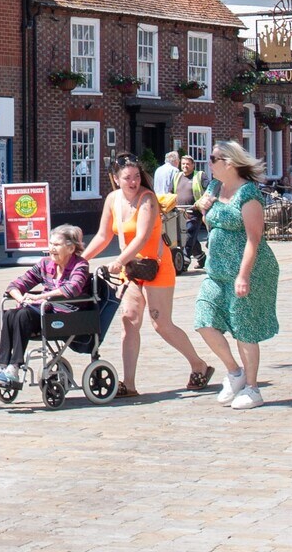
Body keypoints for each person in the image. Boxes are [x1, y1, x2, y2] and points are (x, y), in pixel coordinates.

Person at [81, 157, 214, 397]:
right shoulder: (112, 200)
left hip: (156, 267)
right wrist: (80, 260)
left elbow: (142, 237)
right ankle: (129, 384)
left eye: (136, 176)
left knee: (161, 323)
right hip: (131, 271)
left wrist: (119, 260)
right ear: (115, 179)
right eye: (127, 177)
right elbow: (103, 235)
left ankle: (198, 364)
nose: (133, 182)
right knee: (129, 321)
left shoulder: (147, 199)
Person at [193, 141, 282, 410]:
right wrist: (203, 207)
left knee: (244, 328)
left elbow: (254, 238)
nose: (208, 164)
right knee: (203, 320)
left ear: (228, 163)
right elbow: (209, 223)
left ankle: (253, 388)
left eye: (212, 159)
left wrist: (243, 276)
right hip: (216, 269)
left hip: (247, 270)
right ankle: (234, 372)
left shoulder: (248, 193)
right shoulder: (214, 187)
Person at [0, 225, 91, 386]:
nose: (51, 249)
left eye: (56, 245)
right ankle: (0, 367)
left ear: (70, 248)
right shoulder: (45, 264)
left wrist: (41, 297)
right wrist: (21, 299)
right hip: (45, 313)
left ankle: (14, 369)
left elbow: (72, 289)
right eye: (50, 244)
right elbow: (15, 285)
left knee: (23, 314)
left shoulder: (80, 265)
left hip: (66, 316)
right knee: (10, 313)